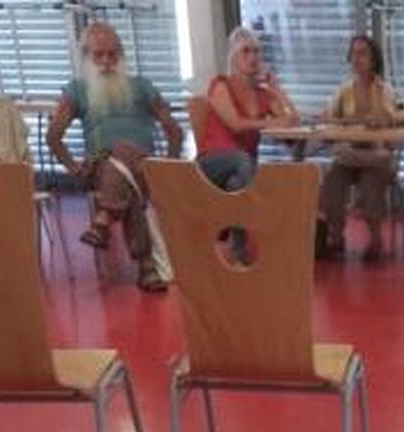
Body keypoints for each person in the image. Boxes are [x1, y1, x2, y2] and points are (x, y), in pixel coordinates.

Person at [47, 22, 182, 293]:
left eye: (113, 54)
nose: (107, 62)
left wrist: (168, 167)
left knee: (125, 165)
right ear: (86, 57)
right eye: (99, 55)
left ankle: (104, 219)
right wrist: (73, 167)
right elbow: (53, 136)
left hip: (145, 167)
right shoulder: (76, 90)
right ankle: (146, 266)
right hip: (100, 166)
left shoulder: (142, 87)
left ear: (121, 56)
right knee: (121, 157)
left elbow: (174, 131)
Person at [320, 35, 397, 262]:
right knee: (332, 181)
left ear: (373, 59)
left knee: (370, 185)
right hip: (348, 157)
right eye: (353, 53)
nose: (357, 58)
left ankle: (375, 240)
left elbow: (392, 121)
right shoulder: (344, 90)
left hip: (375, 157)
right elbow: (329, 119)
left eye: (363, 53)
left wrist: (375, 123)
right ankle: (336, 237)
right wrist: (335, 122)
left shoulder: (385, 90)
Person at [198, 26, 299, 196]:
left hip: (244, 165)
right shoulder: (221, 85)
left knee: (236, 184)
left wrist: (277, 89)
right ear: (233, 56)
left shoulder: (263, 94)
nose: (252, 57)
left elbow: (293, 121)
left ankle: (247, 213)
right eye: (245, 51)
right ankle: (264, 211)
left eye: (256, 51)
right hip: (212, 161)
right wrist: (272, 123)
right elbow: (236, 125)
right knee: (242, 160)